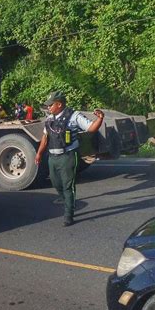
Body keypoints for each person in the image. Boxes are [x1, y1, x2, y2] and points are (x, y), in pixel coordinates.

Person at [34, 91, 104, 226]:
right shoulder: (49, 119)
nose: (48, 108)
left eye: (51, 105)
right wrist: (39, 153)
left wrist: (100, 118)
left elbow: (91, 128)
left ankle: (68, 214)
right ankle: (66, 200)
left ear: (59, 104)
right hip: (52, 157)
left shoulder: (73, 116)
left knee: (68, 186)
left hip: (68, 155)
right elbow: (45, 137)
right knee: (55, 182)